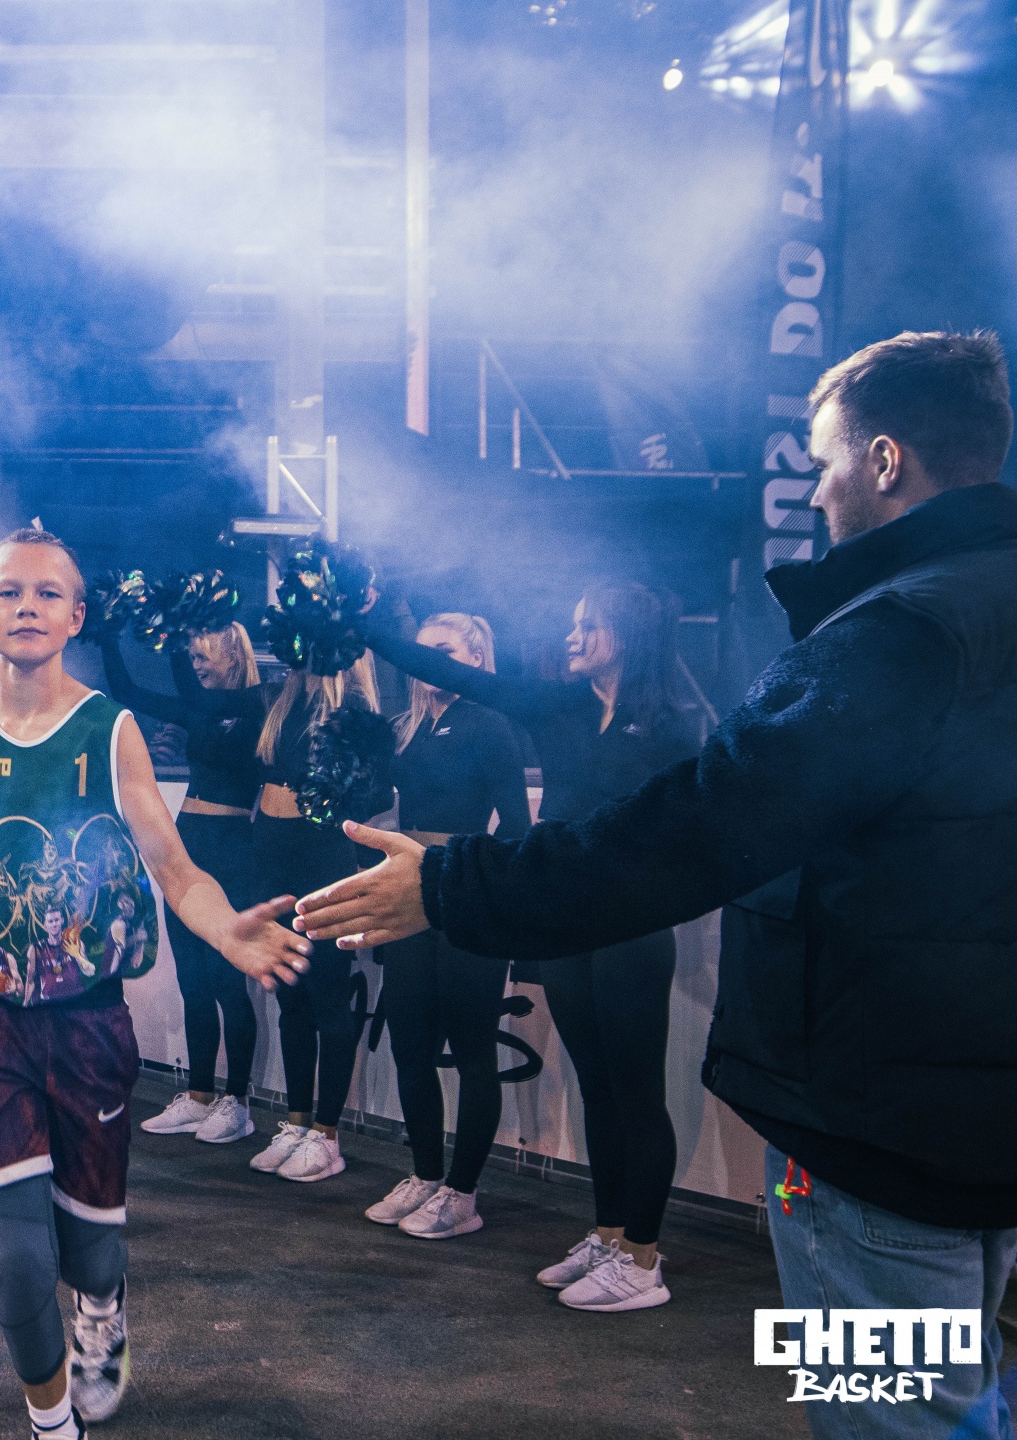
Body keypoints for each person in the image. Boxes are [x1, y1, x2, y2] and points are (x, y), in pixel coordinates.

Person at [301, 331, 1017, 1432]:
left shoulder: (896, 632)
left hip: (882, 1130)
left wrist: (452, 887)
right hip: (967, 1112)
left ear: (885, 461)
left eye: (825, 462)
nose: (816, 493)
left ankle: (635, 1247)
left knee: (895, 1416)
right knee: (959, 1401)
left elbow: (697, 827)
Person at [0, 529, 308, 1440]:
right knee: (18, 1262)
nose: (26, 607)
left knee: (90, 1247)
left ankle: (104, 1308)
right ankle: (51, 1423)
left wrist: (226, 926)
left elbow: (173, 866)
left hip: (87, 1024)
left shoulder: (109, 730)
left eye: (45, 594)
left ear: (76, 617)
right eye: (9, 593)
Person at [359, 583, 699, 1308]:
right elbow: (449, 671)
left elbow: (687, 836)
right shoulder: (560, 706)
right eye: (573, 623)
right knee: (596, 1089)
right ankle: (609, 1235)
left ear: (628, 634)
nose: (572, 636)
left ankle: (643, 1259)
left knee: (637, 1095)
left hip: (633, 931)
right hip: (569, 926)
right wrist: (370, 623)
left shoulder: (674, 725)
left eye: (588, 625)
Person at [364, 613, 530, 1242]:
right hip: (410, 897)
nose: (431, 659)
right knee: (409, 1045)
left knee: (471, 1050)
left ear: (476, 657)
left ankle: (463, 1193)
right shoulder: (404, 729)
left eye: (445, 649)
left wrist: (482, 887)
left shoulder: (491, 723)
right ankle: (426, 1174)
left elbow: (516, 826)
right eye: (424, 650)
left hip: (465, 899)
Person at [103, 623, 268, 1146]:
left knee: (227, 983)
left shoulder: (259, 706)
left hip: (232, 853)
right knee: (193, 982)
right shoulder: (200, 709)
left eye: (203, 655)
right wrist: (109, 635)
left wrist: (175, 626)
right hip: (187, 846)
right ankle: (198, 1096)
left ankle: (236, 1103)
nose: (195, 664)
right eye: (190, 655)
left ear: (234, 654)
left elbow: (200, 701)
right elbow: (127, 692)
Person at [244, 653, 393, 1186]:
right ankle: (297, 1122)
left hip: (323, 861)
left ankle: (327, 1137)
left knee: (328, 997)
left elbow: (378, 792)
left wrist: (334, 805)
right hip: (274, 863)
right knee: (290, 998)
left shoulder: (353, 709)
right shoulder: (286, 701)